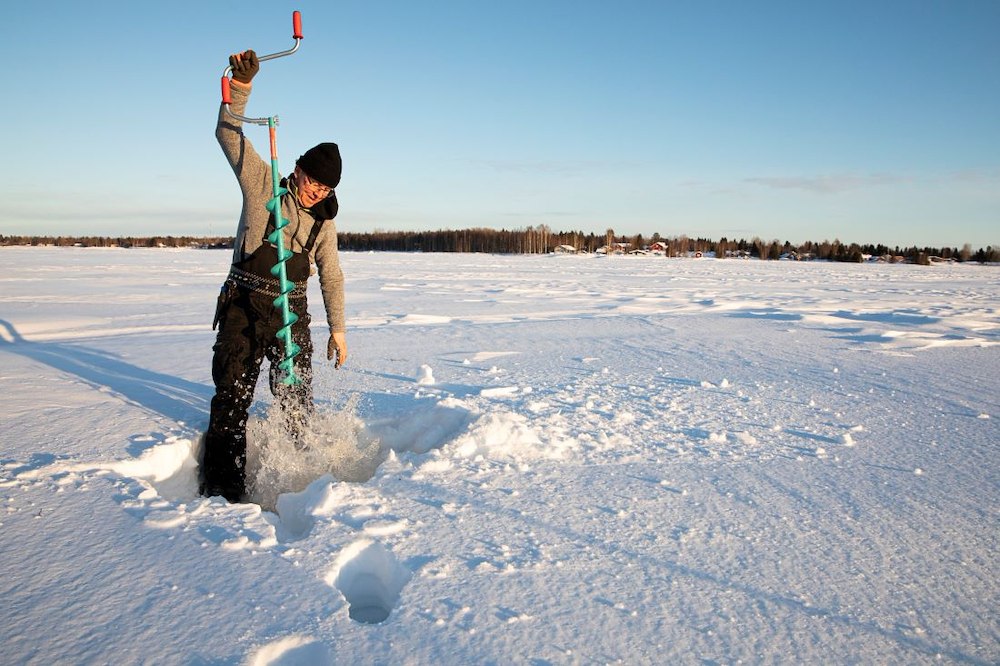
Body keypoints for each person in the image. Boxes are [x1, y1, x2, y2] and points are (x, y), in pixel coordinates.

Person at [201, 49, 348, 502]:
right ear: (297, 170)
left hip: (292, 312)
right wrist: (241, 89)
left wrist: (338, 329)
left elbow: (331, 275)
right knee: (232, 398)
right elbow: (228, 135)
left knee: (296, 400)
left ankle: (302, 486)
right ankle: (224, 493)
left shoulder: (324, 223)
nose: (316, 192)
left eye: (325, 188)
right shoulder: (262, 183)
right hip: (245, 306)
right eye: (312, 182)